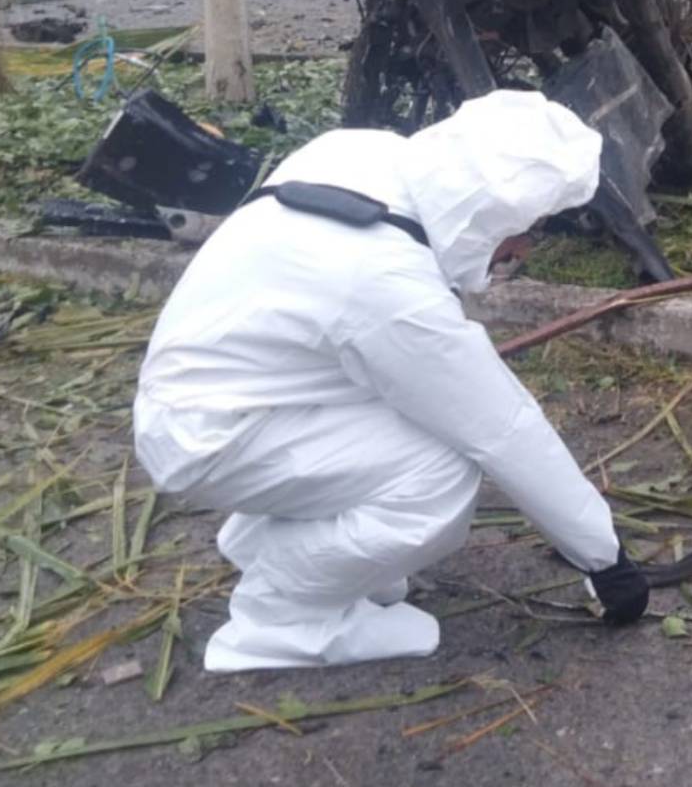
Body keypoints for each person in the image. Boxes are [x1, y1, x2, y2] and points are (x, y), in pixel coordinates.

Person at [132, 90, 649, 673]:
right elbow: (501, 428)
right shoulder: (383, 283)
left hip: (223, 396)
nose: (526, 248)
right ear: (487, 213)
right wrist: (605, 560)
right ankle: (282, 617)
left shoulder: (364, 154)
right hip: (210, 436)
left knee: (414, 425)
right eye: (530, 228)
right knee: (438, 475)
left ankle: (280, 552)